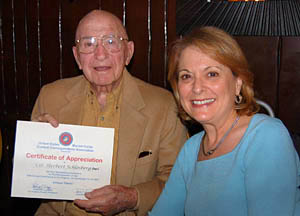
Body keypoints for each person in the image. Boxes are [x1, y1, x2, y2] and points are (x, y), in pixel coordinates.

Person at [32, 9, 187, 216]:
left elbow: (179, 181)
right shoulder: (50, 96)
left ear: (128, 52)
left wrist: (132, 197)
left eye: (111, 42)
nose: (100, 54)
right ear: (77, 57)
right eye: (89, 44)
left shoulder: (163, 105)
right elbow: (28, 175)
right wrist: (35, 149)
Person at [149, 26, 300, 216]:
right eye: (186, 76)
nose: (197, 88)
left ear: (238, 83)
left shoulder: (266, 137)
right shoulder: (192, 148)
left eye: (211, 74)